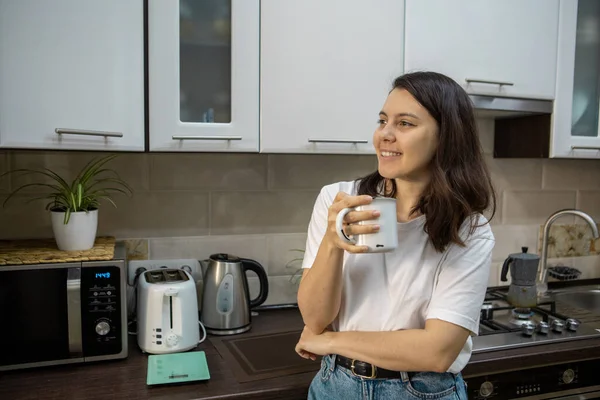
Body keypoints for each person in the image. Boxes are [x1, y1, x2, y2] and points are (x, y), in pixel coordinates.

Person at [294, 71, 496, 400]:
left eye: (404, 124)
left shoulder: (468, 230)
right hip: (335, 384)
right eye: (382, 120)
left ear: (445, 137)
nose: (384, 135)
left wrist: (330, 342)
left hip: (422, 391)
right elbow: (315, 318)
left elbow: (438, 351)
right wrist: (333, 244)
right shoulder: (339, 200)